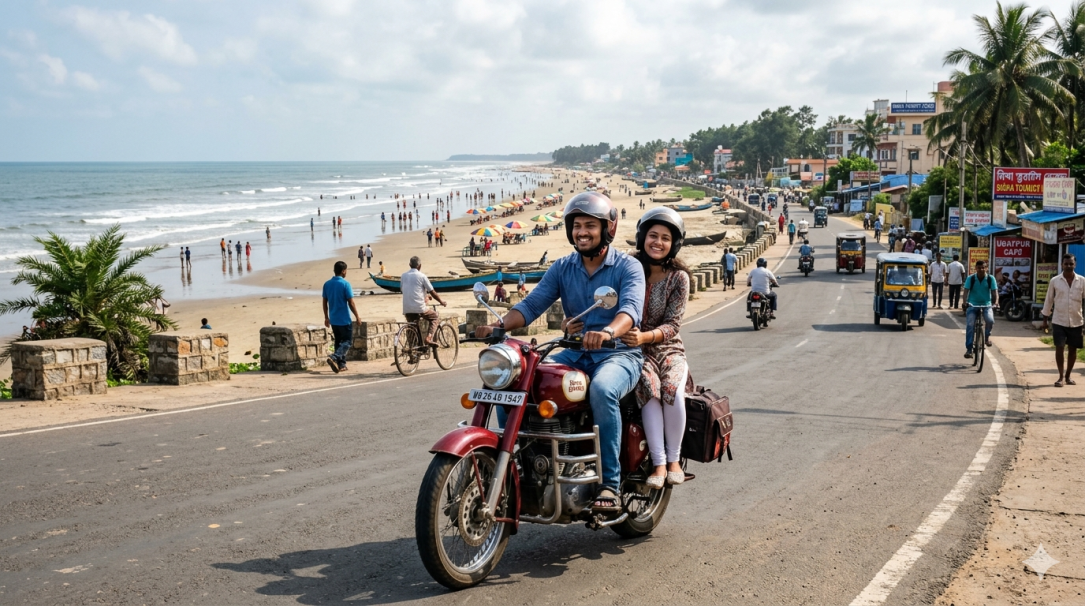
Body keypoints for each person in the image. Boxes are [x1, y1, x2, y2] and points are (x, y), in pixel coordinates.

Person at [474, 192, 645, 513]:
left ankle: (609, 484)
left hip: (619, 354)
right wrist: (498, 326)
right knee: (515, 382)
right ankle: (521, 466)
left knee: (603, 389)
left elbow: (630, 311)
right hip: (573, 352)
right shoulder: (563, 267)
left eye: (590, 226)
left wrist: (608, 332)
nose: (582, 232)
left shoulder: (628, 267)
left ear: (607, 228)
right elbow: (531, 305)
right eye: (577, 225)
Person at [618, 207, 690, 489]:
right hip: (635, 352)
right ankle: (659, 464)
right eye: (653, 236)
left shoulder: (679, 278)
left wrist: (645, 337)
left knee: (672, 390)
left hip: (669, 348)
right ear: (642, 238)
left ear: (674, 244)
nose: (658, 242)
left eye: (665, 238)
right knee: (650, 390)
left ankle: (674, 460)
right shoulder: (627, 268)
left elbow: (673, 325)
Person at [1041, 253, 1085, 386]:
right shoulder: (1055, 281)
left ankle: (1068, 376)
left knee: (1073, 349)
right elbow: (1049, 300)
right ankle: (1060, 377)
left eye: (1071, 264)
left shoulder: (1082, 281)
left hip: (1077, 321)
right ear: (1062, 265)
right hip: (1059, 320)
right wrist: (1045, 320)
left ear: (1075, 264)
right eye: (1066, 264)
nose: (1068, 266)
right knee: (1059, 348)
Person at [322, 261, 361, 373]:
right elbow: (351, 303)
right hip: (344, 319)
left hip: (334, 319)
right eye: (346, 270)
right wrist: (357, 316)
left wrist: (326, 317)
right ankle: (334, 357)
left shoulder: (327, 284)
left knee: (338, 342)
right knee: (347, 342)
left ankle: (341, 365)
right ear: (343, 271)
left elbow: (324, 302)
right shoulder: (345, 284)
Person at [401, 256, 448, 345]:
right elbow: (432, 292)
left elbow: (403, 290)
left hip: (407, 308)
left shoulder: (403, 276)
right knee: (435, 316)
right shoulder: (422, 276)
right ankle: (429, 338)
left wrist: (424, 297)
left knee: (412, 326)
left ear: (409, 265)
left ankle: (413, 350)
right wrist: (441, 301)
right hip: (419, 308)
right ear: (420, 266)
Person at [962, 259, 998, 359]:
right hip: (972, 305)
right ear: (976, 268)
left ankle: (986, 337)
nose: (981, 269)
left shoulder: (990, 278)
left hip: (986, 305)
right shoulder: (971, 278)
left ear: (986, 268)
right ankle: (969, 349)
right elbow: (965, 291)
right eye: (979, 268)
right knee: (970, 325)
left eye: (983, 267)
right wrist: (964, 303)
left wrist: (996, 302)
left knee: (990, 320)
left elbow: (995, 292)